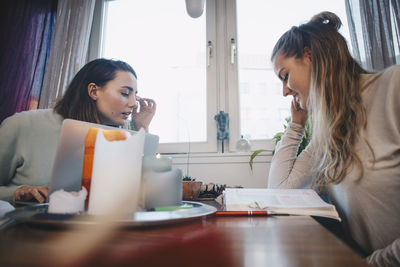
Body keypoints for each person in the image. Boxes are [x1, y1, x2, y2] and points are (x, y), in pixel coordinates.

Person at [268, 11, 400, 267]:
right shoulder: (329, 132)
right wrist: (297, 125)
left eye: (285, 76)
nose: (285, 91)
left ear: (310, 56)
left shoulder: (392, 88)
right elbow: (279, 191)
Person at [0, 58, 156, 204]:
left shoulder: (116, 139)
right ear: (94, 91)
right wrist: (17, 193)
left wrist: (141, 128)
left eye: (135, 95)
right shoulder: (23, 125)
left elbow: (144, 192)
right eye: (125, 93)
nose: (134, 104)